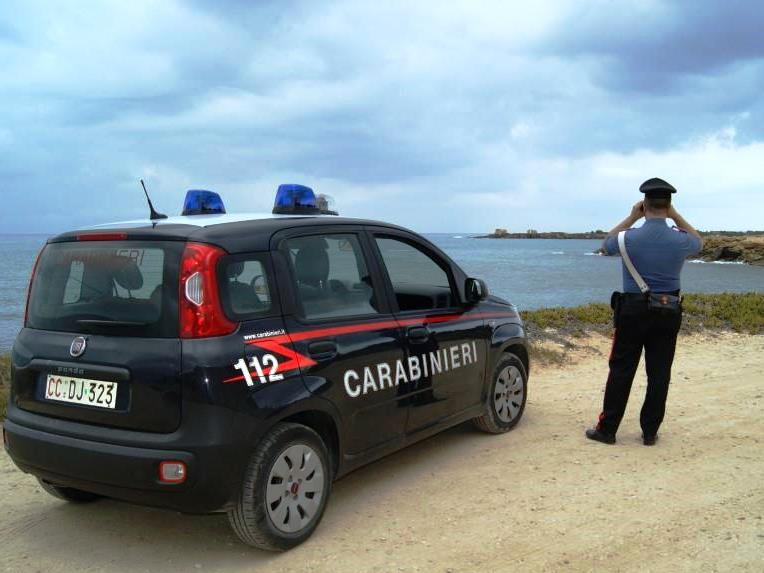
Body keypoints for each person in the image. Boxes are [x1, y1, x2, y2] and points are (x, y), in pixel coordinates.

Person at [585, 177, 703, 446]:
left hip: (633, 308)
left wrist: (630, 218)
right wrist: (674, 215)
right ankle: (649, 432)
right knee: (659, 372)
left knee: (621, 369)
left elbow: (606, 244)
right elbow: (700, 242)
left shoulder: (627, 238)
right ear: (669, 204)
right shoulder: (681, 241)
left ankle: (608, 430)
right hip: (669, 308)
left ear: (644, 205)